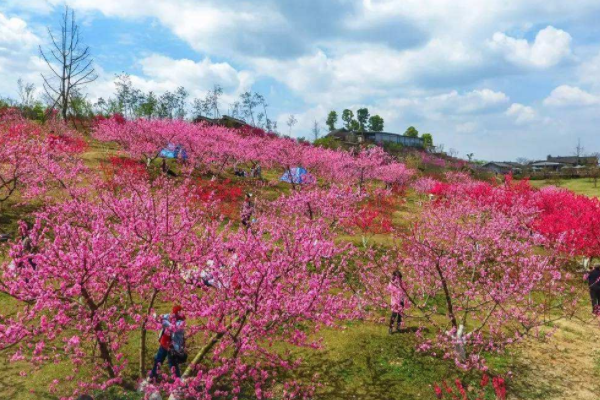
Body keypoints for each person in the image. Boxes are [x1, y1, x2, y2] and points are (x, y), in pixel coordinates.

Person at [149, 305, 186, 380]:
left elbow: (174, 328)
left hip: (173, 347)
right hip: (164, 343)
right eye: (173, 313)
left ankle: (178, 383)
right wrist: (156, 317)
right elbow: (160, 319)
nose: (173, 315)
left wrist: (164, 322)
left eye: (175, 314)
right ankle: (152, 377)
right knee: (158, 360)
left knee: (172, 365)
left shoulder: (181, 322)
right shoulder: (169, 316)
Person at [388, 270, 406, 334]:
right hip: (395, 300)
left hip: (401, 299)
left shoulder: (401, 281)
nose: (398, 278)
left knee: (400, 314)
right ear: (394, 276)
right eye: (397, 277)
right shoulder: (392, 282)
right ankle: (390, 327)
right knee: (394, 314)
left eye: (399, 277)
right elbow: (389, 289)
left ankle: (398, 327)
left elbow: (404, 289)